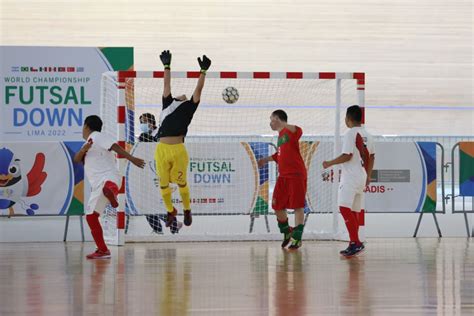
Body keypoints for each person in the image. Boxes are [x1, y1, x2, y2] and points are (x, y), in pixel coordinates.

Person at [74, 115, 145, 259]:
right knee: (91, 217)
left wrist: (132, 159)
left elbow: (115, 146)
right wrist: (84, 150)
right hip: (101, 184)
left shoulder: (97, 136)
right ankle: (102, 250)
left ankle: (111, 192)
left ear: (87, 126)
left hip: (108, 178)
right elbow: (76, 159)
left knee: (107, 187)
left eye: (83, 126)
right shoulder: (88, 143)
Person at [155, 50, 211, 227]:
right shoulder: (167, 103)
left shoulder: (189, 108)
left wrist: (203, 71)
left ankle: (187, 210)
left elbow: (198, 89)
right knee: (163, 185)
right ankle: (170, 210)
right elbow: (166, 83)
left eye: (185, 95)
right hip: (162, 149)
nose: (183, 95)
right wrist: (166, 65)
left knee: (181, 183)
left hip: (178, 149)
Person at [322, 105, 375, 258]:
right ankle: (354, 243)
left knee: (344, 208)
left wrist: (330, 163)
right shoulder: (368, 135)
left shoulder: (350, 133)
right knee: (354, 211)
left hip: (351, 177)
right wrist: (368, 176)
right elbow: (372, 157)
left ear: (348, 119)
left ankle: (355, 242)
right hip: (362, 176)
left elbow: (347, 155)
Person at [258, 110, 307, 250]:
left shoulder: (291, 131)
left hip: (296, 174)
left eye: (271, 119)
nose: (270, 122)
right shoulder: (280, 136)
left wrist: (284, 124)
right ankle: (287, 232)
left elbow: (299, 130)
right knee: (277, 205)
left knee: (298, 206)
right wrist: (265, 160)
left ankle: (297, 238)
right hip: (283, 176)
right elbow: (279, 156)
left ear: (278, 119)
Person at [138, 112, 183, 234]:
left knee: (159, 203)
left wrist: (148, 140)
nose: (142, 124)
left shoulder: (160, 133)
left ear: (151, 123)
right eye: (140, 122)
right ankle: (158, 229)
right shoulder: (143, 136)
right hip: (149, 173)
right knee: (147, 203)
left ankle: (173, 226)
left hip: (163, 173)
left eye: (144, 122)